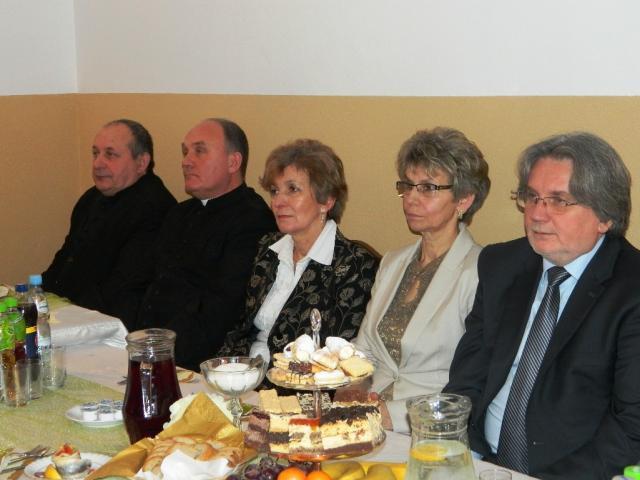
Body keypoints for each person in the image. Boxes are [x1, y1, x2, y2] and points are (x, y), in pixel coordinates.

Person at [443, 132, 640, 479]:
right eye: (532, 197)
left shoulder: (632, 290)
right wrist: (464, 454)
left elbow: (632, 427)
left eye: (559, 201)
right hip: (481, 462)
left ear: (605, 217)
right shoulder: (501, 265)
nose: (537, 214)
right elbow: (467, 379)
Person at [349, 127, 490, 433]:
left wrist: (390, 415)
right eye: (407, 186)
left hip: (428, 429)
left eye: (427, 188)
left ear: (464, 200)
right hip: (368, 419)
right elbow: (364, 350)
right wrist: (351, 396)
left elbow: (471, 383)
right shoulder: (393, 262)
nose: (411, 198)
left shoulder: (480, 272)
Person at [218, 139, 379, 361]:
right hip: (244, 372)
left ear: (326, 200)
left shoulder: (357, 267)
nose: (278, 201)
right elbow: (241, 328)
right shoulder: (267, 248)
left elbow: (336, 358)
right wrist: (224, 370)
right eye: (275, 191)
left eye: (292, 189)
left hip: (298, 379)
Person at [137, 118, 276, 371]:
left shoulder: (252, 220)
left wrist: (159, 354)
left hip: (196, 362)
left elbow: (222, 310)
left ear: (233, 162)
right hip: (147, 348)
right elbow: (149, 283)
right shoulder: (178, 214)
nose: (186, 161)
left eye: (200, 151)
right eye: (185, 152)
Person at [43, 119, 176, 328]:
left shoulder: (154, 208)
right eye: (95, 153)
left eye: (110, 154)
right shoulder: (91, 198)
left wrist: (64, 314)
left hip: (109, 324)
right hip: (67, 312)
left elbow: (124, 287)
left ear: (141, 163)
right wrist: (37, 297)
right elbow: (67, 256)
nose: (98, 163)